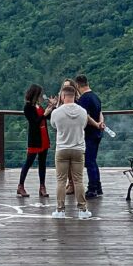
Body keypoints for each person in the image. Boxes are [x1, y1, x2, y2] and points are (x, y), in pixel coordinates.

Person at [50, 83, 103, 220]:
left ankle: (60, 210)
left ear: (63, 96)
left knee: (61, 181)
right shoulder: (82, 112)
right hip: (78, 149)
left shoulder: (57, 112)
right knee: (78, 180)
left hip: (62, 148)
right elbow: (84, 125)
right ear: (75, 96)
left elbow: (54, 125)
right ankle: (82, 209)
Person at [18, 84, 56, 198]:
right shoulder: (28, 107)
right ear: (35, 95)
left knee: (42, 163)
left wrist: (52, 107)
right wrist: (45, 113)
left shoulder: (39, 106)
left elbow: (47, 118)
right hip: (35, 138)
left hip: (43, 136)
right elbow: (35, 122)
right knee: (29, 162)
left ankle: (42, 186)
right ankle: (20, 186)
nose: (41, 97)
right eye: (40, 94)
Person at [75, 74, 105, 198]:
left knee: (89, 161)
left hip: (90, 134)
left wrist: (96, 124)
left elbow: (85, 116)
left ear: (77, 85)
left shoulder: (84, 99)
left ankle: (92, 188)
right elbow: (100, 112)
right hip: (97, 134)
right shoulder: (95, 97)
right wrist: (100, 123)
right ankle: (98, 186)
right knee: (93, 160)